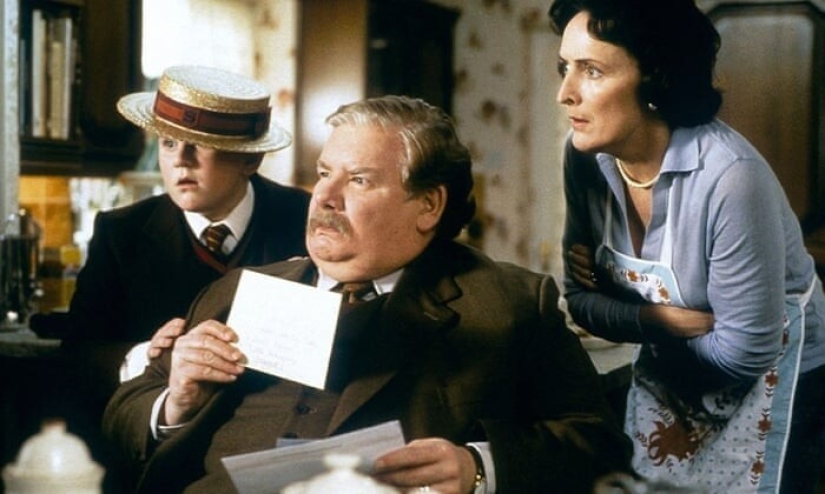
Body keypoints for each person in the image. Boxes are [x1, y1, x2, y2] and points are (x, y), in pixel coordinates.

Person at [102, 95, 633, 493]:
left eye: (357, 180)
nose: (324, 197)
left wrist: (477, 467)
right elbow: (123, 415)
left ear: (428, 206)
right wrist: (175, 401)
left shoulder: (509, 304)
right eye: (324, 174)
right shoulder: (239, 289)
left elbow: (598, 446)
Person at [548, 0, 825, 492]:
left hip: (780, 387)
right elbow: (582, 304)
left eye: (591, 70)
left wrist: (626, 312)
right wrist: (666, 319)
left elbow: (744, 353)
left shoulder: (731, 178)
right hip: (675, 382)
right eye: (563, 67)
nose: (564, 93)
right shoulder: (584, 157)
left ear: (656, 78)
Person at [56, 65, 311, 486]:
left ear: (250, 159)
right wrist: (148, 356)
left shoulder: (304, 219)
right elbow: (79, 355)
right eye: (169, 143)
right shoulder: (122, 232)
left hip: (271, 454)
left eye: (201, 145)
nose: (180, 160)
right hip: (158, 455)